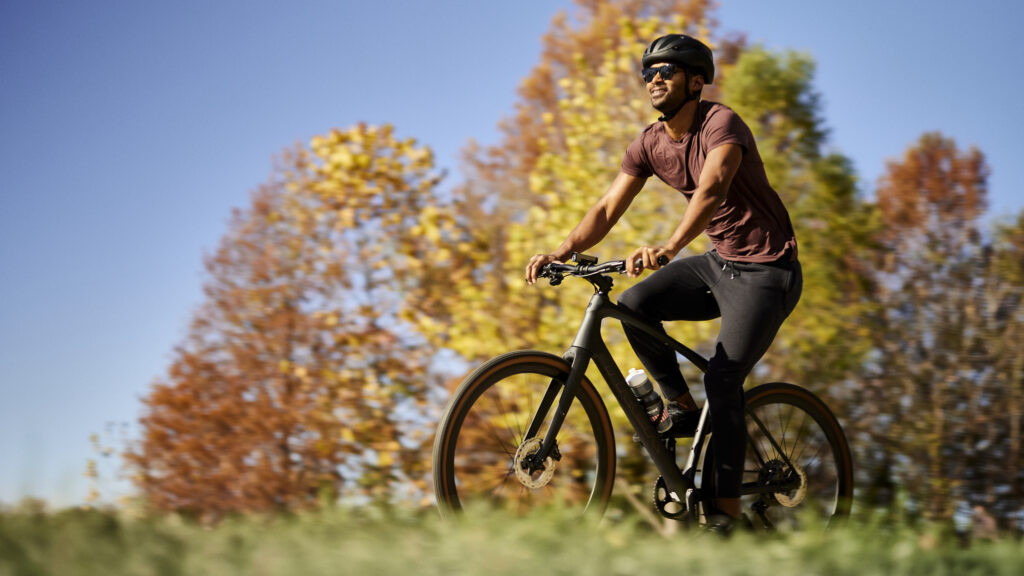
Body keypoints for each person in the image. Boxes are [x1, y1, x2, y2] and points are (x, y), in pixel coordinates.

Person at [524, 34, 802, 528]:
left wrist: (670, 245)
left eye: (666, 71)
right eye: (648, 72)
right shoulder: (651, 143)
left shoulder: (721, 124)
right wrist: (564, 251)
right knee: (632, 305)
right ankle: (679, 408)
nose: (654, 79)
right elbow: (608, 207)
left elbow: (714, 186)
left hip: (767, 270)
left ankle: (726, 513)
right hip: (720, 263)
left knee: (723, 378)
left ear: (696, 82)